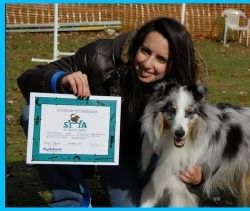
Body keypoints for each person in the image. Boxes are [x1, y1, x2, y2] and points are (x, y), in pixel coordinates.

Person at [17, 17, 207, 207]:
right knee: (33, 115)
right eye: (145, 51)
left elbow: (199, 143)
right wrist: (61, 79)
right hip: (86, 135)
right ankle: (72, 198)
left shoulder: (183, 93)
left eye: (161, 59)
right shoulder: (100, 56)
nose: (148, 63)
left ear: (174, 64)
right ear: (136, 45)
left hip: (131, 154)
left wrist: (199, 178)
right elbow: (26, 79)